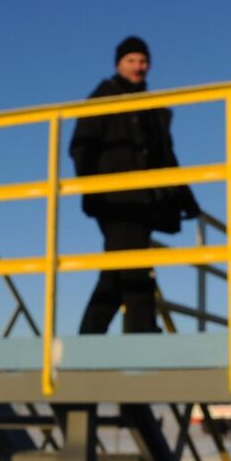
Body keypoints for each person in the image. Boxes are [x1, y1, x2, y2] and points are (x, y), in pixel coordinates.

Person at [69, 36, 201, 335]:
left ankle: (87, 340)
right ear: (118, 64)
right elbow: (81, 147)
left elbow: (166, 157)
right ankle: (142, 337)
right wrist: (92, 192)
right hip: (115, 201)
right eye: (131, 60)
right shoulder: (104, 96)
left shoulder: (152, 108)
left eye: (142, 61)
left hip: (145, 202)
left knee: (118, 272)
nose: (138, 66)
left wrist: (187, 200)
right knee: (136, 268)